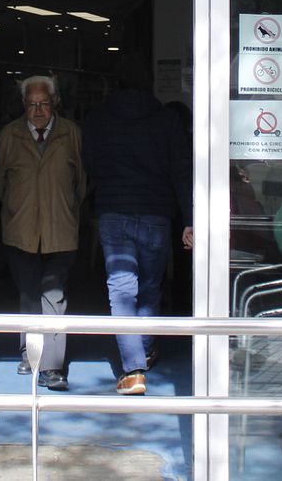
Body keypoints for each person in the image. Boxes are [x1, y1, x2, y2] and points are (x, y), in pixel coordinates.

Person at [82, 73, 193, 395]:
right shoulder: (167, 120)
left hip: (113, 208)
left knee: (121, 289)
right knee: (149, 287)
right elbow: (181, 169)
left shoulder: (98, 119)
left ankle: (133, 369)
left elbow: (90, 163)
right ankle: (142, 350)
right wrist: (189, 217)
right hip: (157, 213)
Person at [0, 75, 87, 391]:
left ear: (55, 102)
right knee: (29, 294)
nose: (38, 110)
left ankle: (52, 366)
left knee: (54, 295)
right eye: (32, 104)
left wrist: (65, 208)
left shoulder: (71, 134)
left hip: (61, 228)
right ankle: (30, 354)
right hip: (21, 228)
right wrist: (20, 208)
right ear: (23, 106)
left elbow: (82, 183)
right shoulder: (10, 135)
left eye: (44, 103)